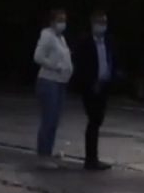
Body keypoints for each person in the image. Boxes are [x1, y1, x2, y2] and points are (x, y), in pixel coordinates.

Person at [73, 11, 116, 171]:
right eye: (99, 22)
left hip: (104, 85)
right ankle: (90, 159)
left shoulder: (108, 41)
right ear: (92, 23)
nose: (102, 25)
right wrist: (91, 82)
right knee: (93, 119)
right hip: (90, 86)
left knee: (98, 120)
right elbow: (80, 65)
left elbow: (112, 59)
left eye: (104, 21)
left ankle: (93, 157)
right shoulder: (84, 42)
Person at [33, 9, 74, 168]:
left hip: (60, 83)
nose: (62, 23)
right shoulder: (47, 35)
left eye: (64, 19)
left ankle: (48, 152)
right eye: (59, 19)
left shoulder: (60, 38)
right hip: (48, 81)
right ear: (51, 21)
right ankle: (43, 156)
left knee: (54, 120)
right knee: (48, 120)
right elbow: (38, 56)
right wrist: (55, 67)